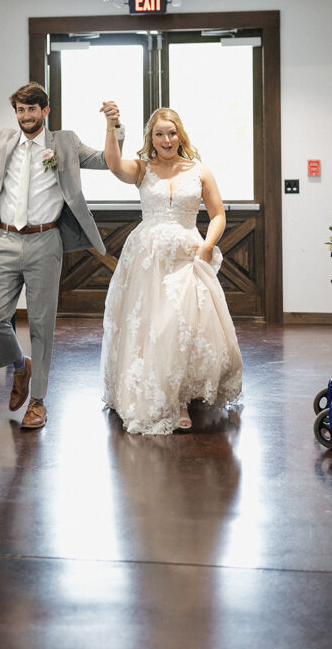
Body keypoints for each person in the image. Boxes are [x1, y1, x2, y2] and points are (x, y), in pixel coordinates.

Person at [0, 83, 123, 430]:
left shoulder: (65, 144)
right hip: (5, 240)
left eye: (32, 109)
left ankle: (38, 402)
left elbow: (107, 161)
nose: (26, 116)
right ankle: (19, 366)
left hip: (46, 240)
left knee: (42, 325)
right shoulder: (0, 140)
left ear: (45, 111)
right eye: (20, 110)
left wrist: (113, 127)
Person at [98, 105, 242, 435]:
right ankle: (165, 396)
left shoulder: (199, 170)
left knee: (184, 324)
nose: (166, 139)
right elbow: (113, 164)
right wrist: (111, 125)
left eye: (171, 133)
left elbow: (218, 214)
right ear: (151, 137)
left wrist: (207, 245)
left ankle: (181, 395)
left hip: (188, 257)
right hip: (148, 260)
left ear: (181, 135)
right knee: (154, 326)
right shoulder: (142, 169)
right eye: (159, 134)